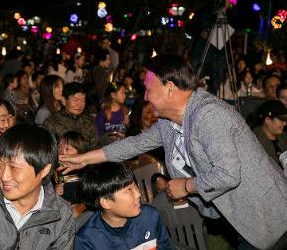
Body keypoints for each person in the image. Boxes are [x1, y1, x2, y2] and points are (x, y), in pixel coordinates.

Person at [60, 54, 287, 250]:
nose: (146, 96)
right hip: (241, 213)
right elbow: (133, 144)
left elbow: (228, 175)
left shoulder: (209, 116)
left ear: (169, 88)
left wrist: (186, 186)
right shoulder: (171, 122)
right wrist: (83, 159)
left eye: (149, 89)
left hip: (268, 213)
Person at [74, 162, 172, 250]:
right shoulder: (87, 241)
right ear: (106, 202)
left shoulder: (150, 216)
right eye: (129, 190)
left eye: (135, 185)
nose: (138, 194)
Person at [43, 82, 99, 151]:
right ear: (64, 101)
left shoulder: (89, 121)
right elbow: (47, 151)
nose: (79, 104)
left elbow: (95, 147)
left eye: (83, 100)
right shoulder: (51, 122)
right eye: (75, 100)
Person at [253, 100, 287, 168]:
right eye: (281, 120)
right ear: (267, 120)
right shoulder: (254, 142)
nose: (285, 123)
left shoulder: (284, 138)